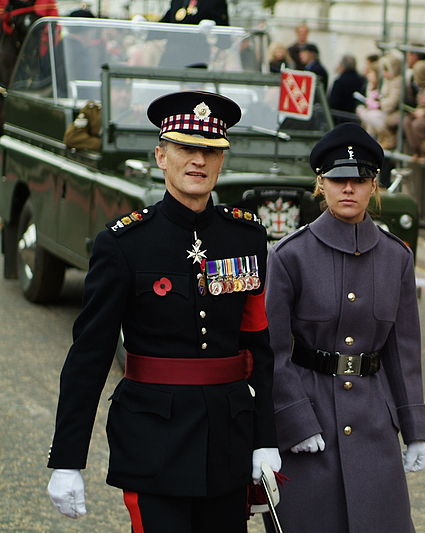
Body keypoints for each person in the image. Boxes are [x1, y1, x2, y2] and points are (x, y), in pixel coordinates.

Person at [47, 91, 281, 532]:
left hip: (228, 438)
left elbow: (258, 347)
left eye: (210, 150)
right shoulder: (123, 243)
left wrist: (265, 440)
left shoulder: (245, 237)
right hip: (154, 438)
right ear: (160, 155)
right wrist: (66, 458)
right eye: (185, 148)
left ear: (221, 160)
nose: (198, 161)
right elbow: (89, 355)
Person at [264, 122, 425, 533]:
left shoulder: (396, 258)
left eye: (360, 179)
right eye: (338, 180)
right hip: (311, 418)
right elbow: (273, 350)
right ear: (320, 184)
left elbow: (403, 350)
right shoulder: (289, 256)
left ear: (375, 186)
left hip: (374, 422)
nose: (349, 189)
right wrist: (293, 418)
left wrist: (415, 429)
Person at [357, 53, 402, 150]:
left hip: (392, 112)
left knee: (373, 116)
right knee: (364, 112)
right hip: (384, 110)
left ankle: (388, 138)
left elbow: (393, 101)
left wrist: (379, 104)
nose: (385, 73)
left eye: (387, 70)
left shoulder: (398, 81)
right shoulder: (387, 81)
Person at [327, 54, 366, 124]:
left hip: (341, 119)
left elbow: (333, 103)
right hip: (358, 118)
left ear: (342, 66)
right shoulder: (362, 80)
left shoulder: (339, 82)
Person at [160, 0, 229, 25]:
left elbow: (223, 29)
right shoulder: (178, 1)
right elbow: (166, 21)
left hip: (199, 51)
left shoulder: (214, 1)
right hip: (172, 50)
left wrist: (212, 27)